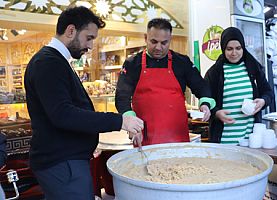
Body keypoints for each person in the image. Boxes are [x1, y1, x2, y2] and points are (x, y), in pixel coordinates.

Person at [24, 6, 144, 200]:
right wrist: (120, 121)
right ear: (71, 31)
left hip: (66, 160)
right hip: (62, 163)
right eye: (89, 38)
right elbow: (63, 114)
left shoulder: (55, 61)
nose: (90, 46)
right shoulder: (48, 63)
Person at [116, 18, 215, 145]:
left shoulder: (182, 62)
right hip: (145, 136)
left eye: (164, 43)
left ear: (170, 40)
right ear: (146, 38)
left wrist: (205, 103)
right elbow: (122, 97)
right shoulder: (132, 63)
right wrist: (131, 121)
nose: (158, 47)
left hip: (178, 135)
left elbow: (201, 86)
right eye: (153, 41)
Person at [204, 27, 274, 144]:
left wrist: (263, 101)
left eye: (238, 48)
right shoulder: (214, 72)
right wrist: (216, 113)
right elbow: (206, 99)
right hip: (223, 140)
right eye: (229, 49)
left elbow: (269, 93)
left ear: (243, 47)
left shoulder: (253, 68)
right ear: (223, 48)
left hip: (250, 139)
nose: (234, 53)